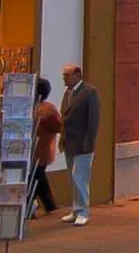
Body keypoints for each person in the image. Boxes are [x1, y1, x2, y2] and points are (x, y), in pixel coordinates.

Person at [60, 63, 100, 227]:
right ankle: (76, 209)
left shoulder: (89, 92)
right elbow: (64, 118)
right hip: (69, 142)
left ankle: (83, 211)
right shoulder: (68, 93)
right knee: (72, 177)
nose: (64, 78)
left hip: (83, 143)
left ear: (77, 75)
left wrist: (88, 141)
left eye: (67, 75)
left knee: (80, 177)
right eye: (64, 75)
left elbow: (93, 119)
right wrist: (62, 138)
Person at [33, 77, 62, 216]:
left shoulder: (33, 108)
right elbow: (58, 126)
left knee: (35, 177)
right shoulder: (48, 109)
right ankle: (50, 205)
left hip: (37, 149)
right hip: (43, 149)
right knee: (38, 176)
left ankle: (32, 206)